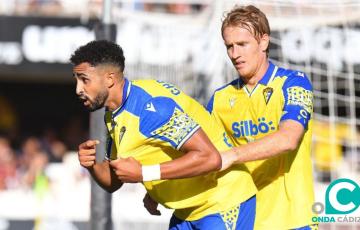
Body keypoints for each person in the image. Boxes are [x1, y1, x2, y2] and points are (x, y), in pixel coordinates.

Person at [71, 40, 257, 229]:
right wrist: (92, 165)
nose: (78, 89)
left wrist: (145, 173)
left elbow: (210, 158)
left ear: (110, 79)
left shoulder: (152, 108)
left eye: (84, 79)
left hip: (223, 202)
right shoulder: (114, 115)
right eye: (76, 79)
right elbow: (114, 180)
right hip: (187, 211)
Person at [207, 5, 316, 230]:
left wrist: (231, 155)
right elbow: (200, 152)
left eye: (242, 44)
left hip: (293, 220)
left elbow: (288, 139)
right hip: (244, 220)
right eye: (229, 46)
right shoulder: (220, 99)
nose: (234, 54)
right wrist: (160, 188)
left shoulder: (294, 83)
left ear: (264, 42)